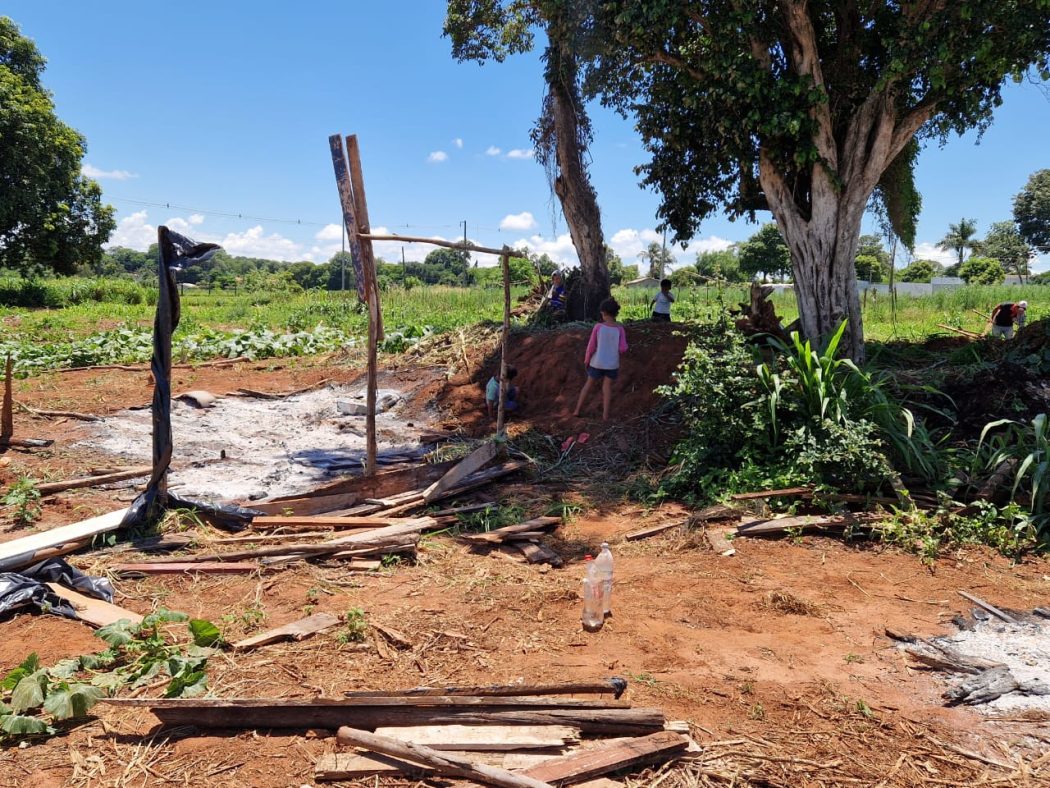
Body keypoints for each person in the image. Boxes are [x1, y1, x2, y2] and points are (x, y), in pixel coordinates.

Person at [573, 298, 628, 421]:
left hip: (597, 362)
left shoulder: (598, 327)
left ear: (603, 313)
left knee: (588, 385)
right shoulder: (620, 329)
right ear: (615, 313)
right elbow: (623, 348)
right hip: (612, 364)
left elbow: (591, 346)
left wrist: (587, 360)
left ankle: (577, 410)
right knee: (607, 388)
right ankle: (605, 416)